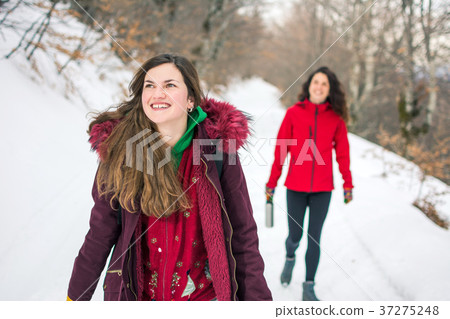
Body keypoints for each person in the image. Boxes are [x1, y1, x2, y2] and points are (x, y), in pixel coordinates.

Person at [67, 53, 272, 301]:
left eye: (170, 85)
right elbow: (100, 233)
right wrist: (75, 300)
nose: (157, 94)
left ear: (190, 100)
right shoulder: (120, 150)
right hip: (137, 296)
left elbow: (242, 234)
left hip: (203, 298)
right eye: (150, 85)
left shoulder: (218, 151)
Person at [265, 66, 353, 301]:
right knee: (295, 235)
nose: (319, 87)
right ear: (309, 86)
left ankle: (308, 285)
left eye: (325, 84)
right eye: (316, 82)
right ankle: (290, 256)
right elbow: (281, 150)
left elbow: (343, 154)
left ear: (329, 89)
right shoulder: (294, 113)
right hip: (295, 188)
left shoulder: (335, 118)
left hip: (323, 190)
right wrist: (272, 183)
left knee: (314, 238)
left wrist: (348, 184)